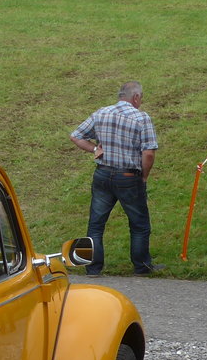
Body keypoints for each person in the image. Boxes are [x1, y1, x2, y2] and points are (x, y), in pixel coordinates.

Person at [70, 81, 164, 276]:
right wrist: (144, 177)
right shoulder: (141, 118)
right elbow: (148, 154)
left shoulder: (101, 113)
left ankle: (93, 268)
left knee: (96, 224)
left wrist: (96, 149)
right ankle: (142, 267)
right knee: (139, 224)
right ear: (136, 97)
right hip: (129, 176)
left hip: (102, 174)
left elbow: (76, 136)